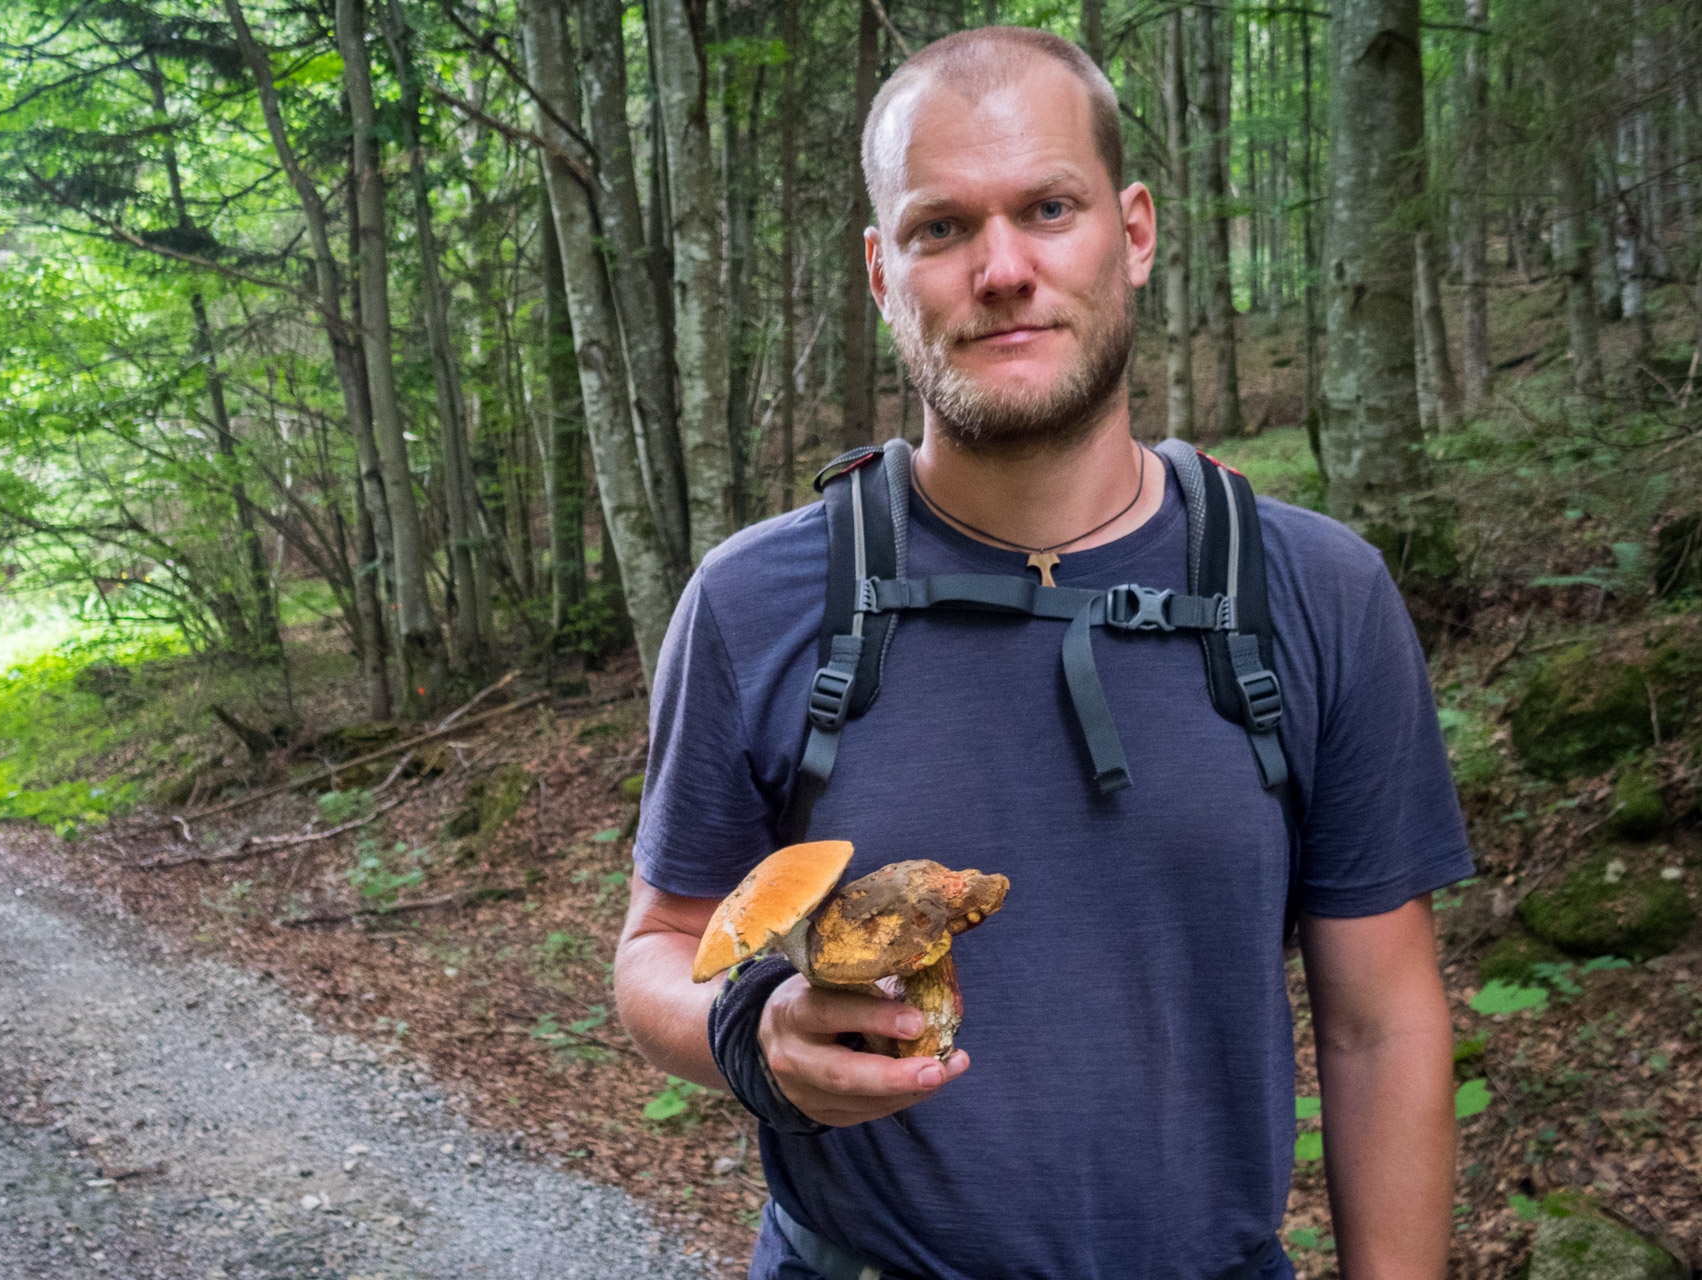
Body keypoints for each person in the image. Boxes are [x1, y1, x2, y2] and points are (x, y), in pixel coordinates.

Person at [614, 26, 1471, 1280]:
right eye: (940, 227)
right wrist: (754, 1037)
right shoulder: (758, 598)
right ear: (880, 270)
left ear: (1131, 231)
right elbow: (657, 951)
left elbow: (1379, 1022)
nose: (1002, 268)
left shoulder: (1314, 591)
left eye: (1047, 208)